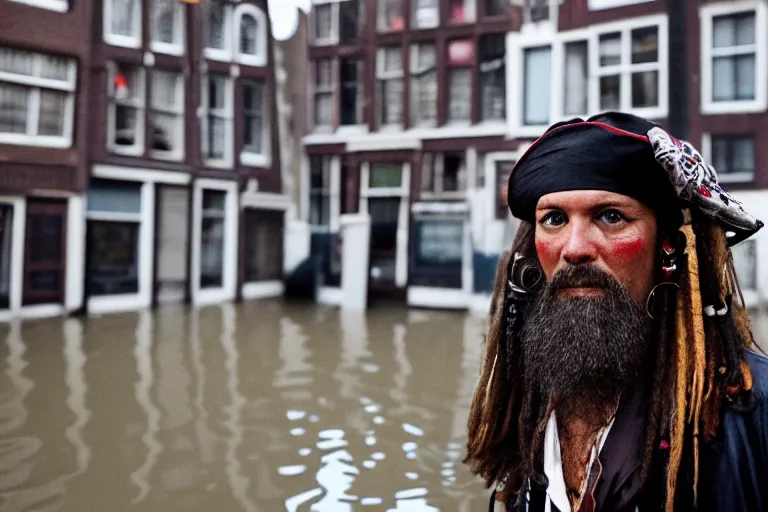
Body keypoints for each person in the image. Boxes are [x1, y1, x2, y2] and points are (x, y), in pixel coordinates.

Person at [463, 112, 767, 512]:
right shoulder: (528, 400)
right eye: (554, 219)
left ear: (668, 246)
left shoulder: (754, 410)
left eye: (610, 216)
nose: (574, 248)